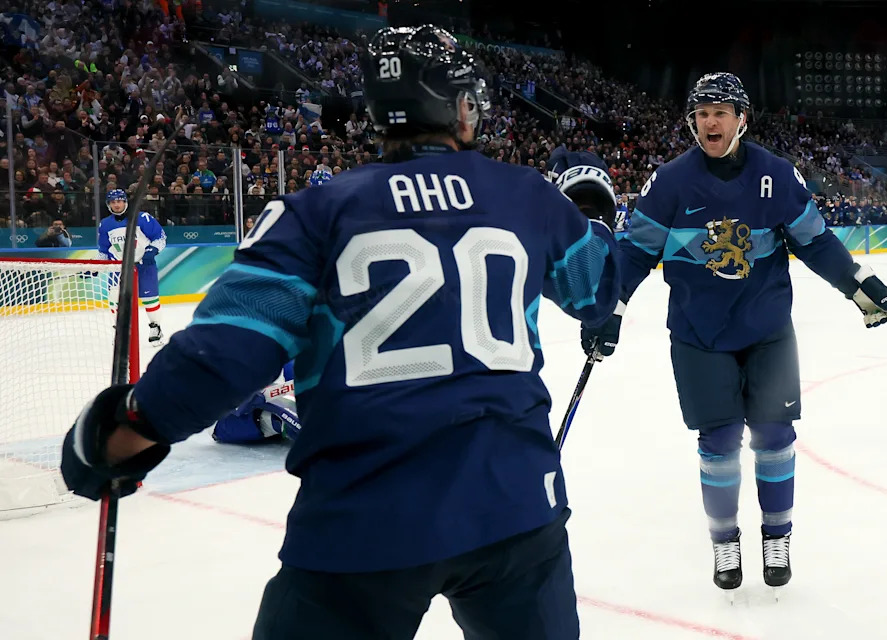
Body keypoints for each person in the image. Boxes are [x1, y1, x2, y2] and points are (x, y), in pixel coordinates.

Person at [61, 26, 621, 640]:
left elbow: (224, 353)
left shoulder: (315, 212)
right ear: (461, 109)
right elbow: (597, 291)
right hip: (516, 505)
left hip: (364, 519)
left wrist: (129, 425)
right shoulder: (528, 197)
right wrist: (590, 214)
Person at [581, 72, 887, 592]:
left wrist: (857, 282)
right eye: (702, 114)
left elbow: (814, 242)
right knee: (720, 440)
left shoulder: (776, 175)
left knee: (775, 436)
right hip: (698, 334)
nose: (710, 122)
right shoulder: (670, 182)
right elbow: (635, 252)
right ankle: (724, 540)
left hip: (767, 331)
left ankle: (777, 536)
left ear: (741, 119)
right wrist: (606, 308)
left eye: (720, 113)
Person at [97, 189, 167, 346]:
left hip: (144, 265)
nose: (116, 205)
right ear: (108, 205)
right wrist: (96, 267)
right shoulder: (105, 224)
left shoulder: (142, 218)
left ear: (125, 202)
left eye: (119, 201)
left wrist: (152, 250)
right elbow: (103, 250)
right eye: (113, 202)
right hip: (118, 267)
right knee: (115, 299)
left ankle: (155, 327)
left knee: (150, 300)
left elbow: (160, 237)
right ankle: (121, 330)